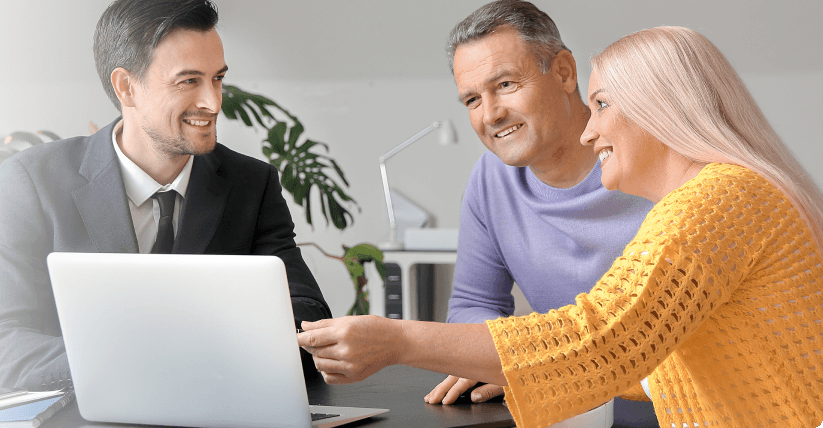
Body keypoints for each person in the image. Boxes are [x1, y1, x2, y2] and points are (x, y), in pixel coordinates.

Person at [298, 26, 823, 428]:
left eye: (601, 105)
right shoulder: (729, 193)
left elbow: (601, 340)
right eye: (472, 99)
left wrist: (398, 341)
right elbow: (652, 358)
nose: (591, 130)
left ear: (663, 106)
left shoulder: (717, 200)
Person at [0, 0, 331, 389]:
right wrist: (144, 354)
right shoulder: (32, 181)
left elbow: (308, 320)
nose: (213, 102)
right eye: (189, 81)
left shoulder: (251, 184)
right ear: (126, 87)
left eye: (217, 78)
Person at [432, 1, 657, 423]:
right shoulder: (490, 178)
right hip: (570, 415)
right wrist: (505, 359)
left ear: (564, 73)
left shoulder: (653, 159)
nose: (491, 114)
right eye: (472, 99)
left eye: (505, 84)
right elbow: (472, 303)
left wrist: (527, 359)